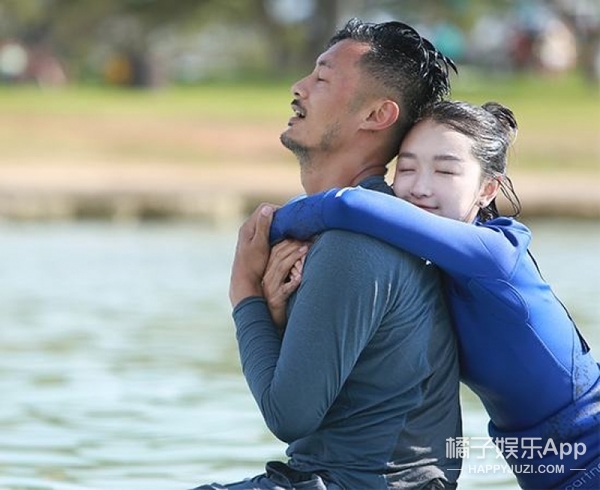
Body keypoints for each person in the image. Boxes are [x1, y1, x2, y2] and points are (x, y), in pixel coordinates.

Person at [268, 100, 600, 490]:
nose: (420, 188)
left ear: (487, 189)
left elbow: (350, 205)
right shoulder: (426, 270)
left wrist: (265, 232)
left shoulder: (496, 257)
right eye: (406, 168)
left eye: (445, 170)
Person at [190, 18, 462, 490]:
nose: (298, 88)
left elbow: (288, 415)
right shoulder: (342, 229)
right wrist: (274, 317)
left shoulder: (355, 244)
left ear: (377, 115)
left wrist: (244, 293)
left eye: (322, 78)